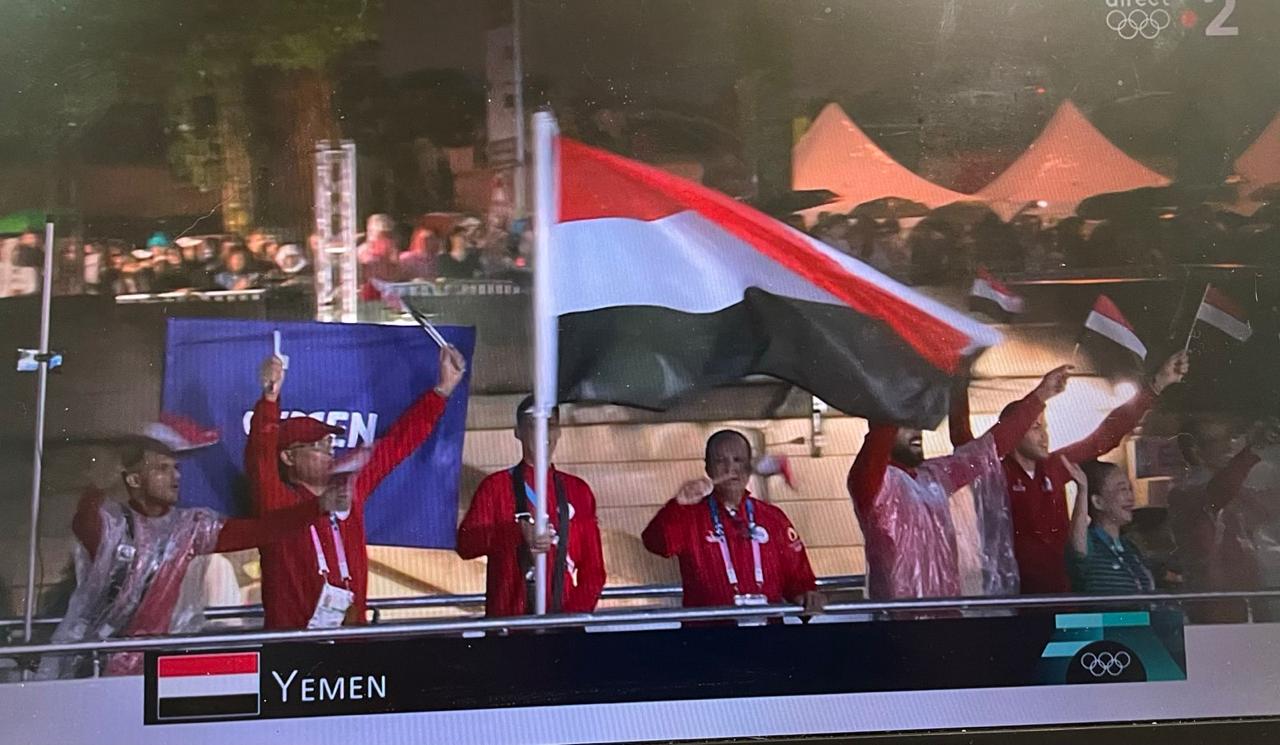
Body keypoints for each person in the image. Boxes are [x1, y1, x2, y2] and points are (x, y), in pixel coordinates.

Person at [39, 423, 342, 678]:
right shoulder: (110, 524)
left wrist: (314, 509)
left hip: (152, 666)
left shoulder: (190, 528)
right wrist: (102, 475)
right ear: (134, 480)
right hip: (91, 666)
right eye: (161, 469)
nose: (176, 477)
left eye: (176, 468)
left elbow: (260, 530)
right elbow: (84, 519)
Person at [246, 343, 466, 630]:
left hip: (352, 642)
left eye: (329, 443)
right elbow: (260, 457)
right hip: (295, 650)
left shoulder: (348, 490)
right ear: (288, 456)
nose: (328, 451)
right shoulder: (277, 502)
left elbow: (398, 444)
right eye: (316, 445)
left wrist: (443, 390)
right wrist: (270, 399)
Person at [949, 351, 1190, 594]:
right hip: (1014, 601)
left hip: (1063, 596)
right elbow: (964, 444)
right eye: (1035, 427)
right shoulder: (995, 474)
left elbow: (1104, 437)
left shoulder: (1055, 467)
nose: (1045, 435)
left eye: (1045, 426)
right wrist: (959, 380)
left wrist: (1156, 385)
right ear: (1015, 432)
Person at [848, 365, 1072, 600]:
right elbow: (883, 428)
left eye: (918, 424)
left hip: (948, 617)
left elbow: (989, 448)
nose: (917, 432)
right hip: (900, 624)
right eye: (904, 425)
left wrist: (1040, 396)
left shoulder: (934, 477)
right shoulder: (871, 482)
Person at [642, 430, 822, 614]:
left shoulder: (773, 518)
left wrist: (805, 596)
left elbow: (798, 579)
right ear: (708, 468)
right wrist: (678, 504)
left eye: (738, 460)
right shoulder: (689, 516)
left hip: (767, 634)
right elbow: (655, 543)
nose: (730, 469)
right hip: (707, 636)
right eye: (720, 461)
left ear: (749, 467)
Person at [457, 396, 607, 616]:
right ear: (518, 431)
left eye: (551, 425)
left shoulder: (577, 490)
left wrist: (571, 619)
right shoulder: (496, 486)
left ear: (559, 431)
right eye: (534, 425)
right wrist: (515, 532)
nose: (543, 432)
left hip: (563, 631)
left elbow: (593, 571)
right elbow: (465, 545)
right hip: (509, 629)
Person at [1067, 460, 1155, 594]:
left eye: (1129, 489)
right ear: (1098, 502)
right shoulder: (1090, 543)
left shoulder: (1130, 547)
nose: (1130, 497)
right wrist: (1083, 490)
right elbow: (1078, 550)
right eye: (1122, 489)